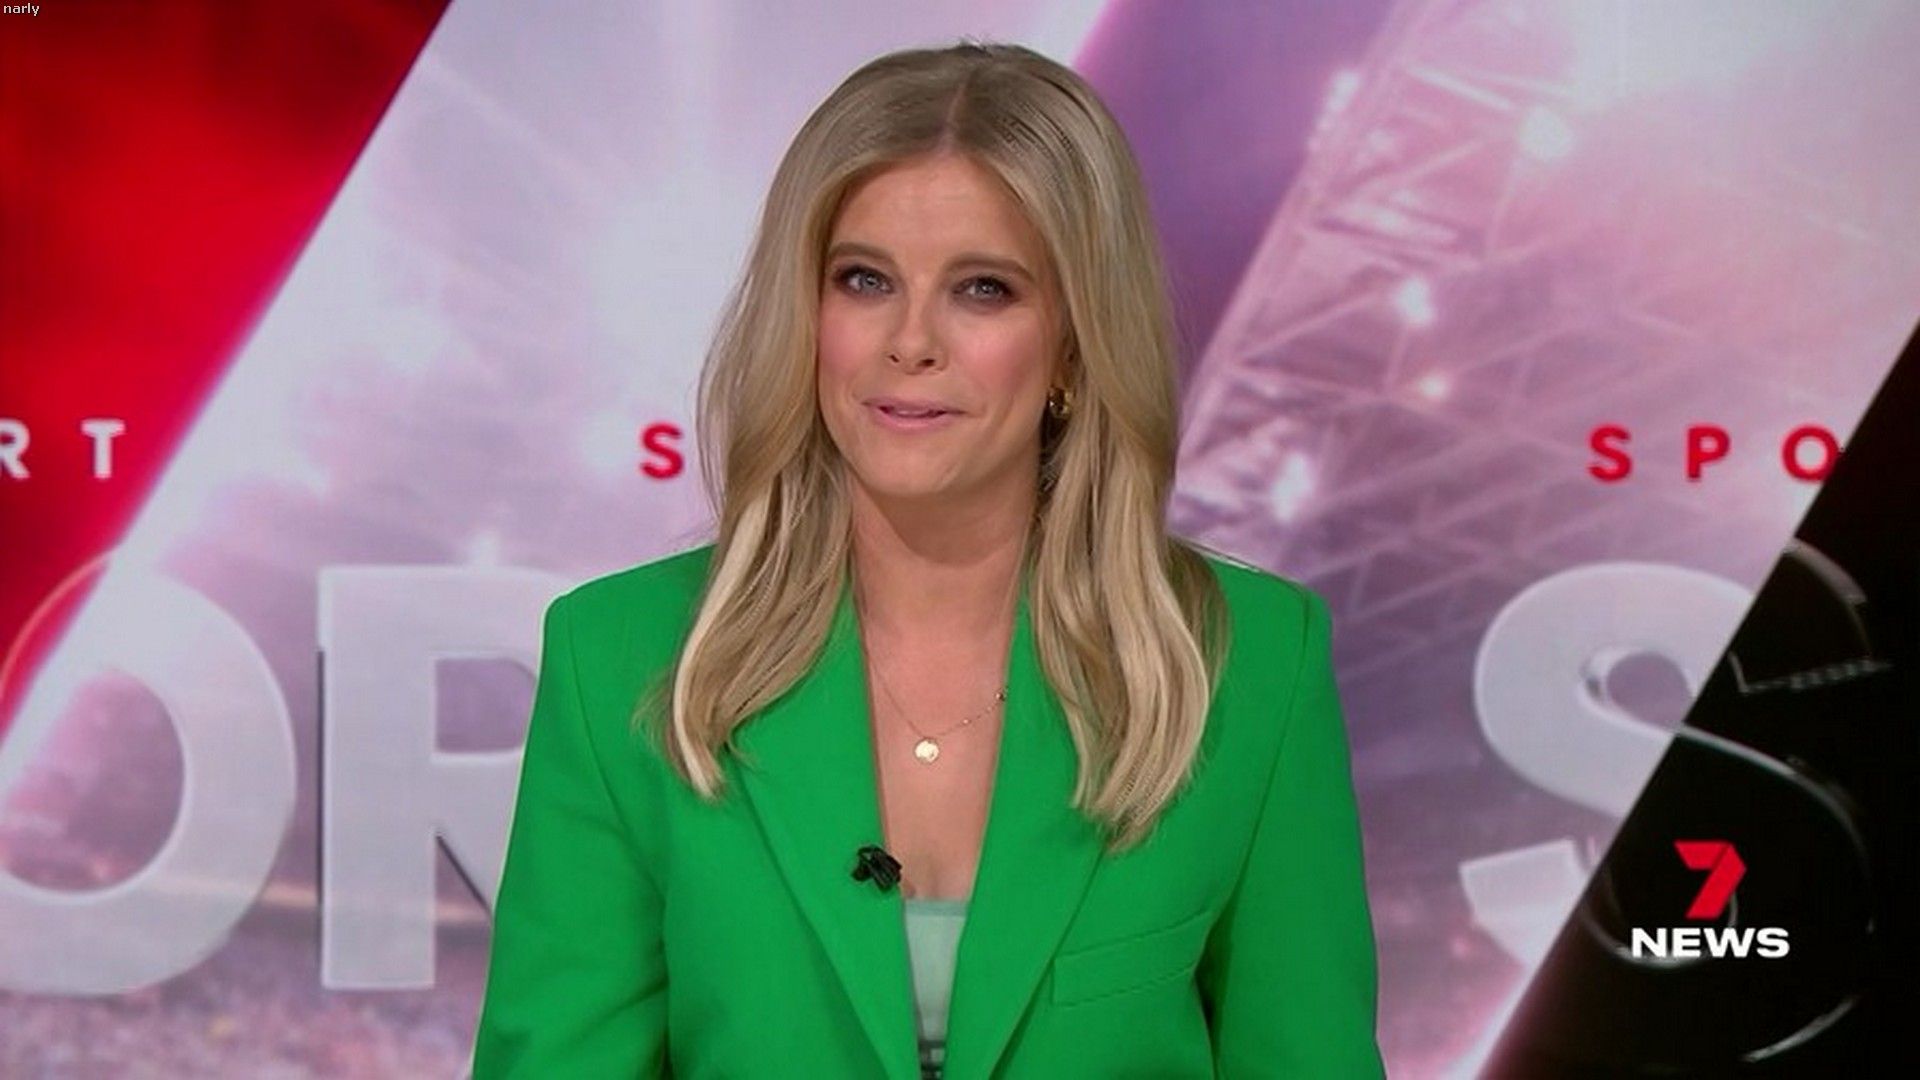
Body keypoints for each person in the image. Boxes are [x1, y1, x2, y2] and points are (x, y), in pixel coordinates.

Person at [470, 39, 1382, 1079]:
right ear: (806, 315)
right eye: (864, 280)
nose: (911, 341)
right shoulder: (618, 658)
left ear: (1073, 344)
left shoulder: (1252, 665)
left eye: (983, 289)